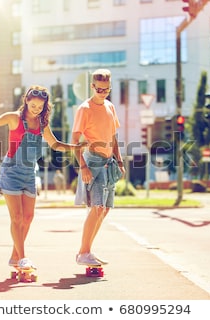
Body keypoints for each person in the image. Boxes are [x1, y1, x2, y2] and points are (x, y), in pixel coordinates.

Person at [0, 85, 85, 270]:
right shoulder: (13, 118)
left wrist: (76, 148)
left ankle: (15, 257)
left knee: (28, 217)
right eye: (34, 106)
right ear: (27, 101)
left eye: (40, 107)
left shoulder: (42, 124)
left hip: (30, 172)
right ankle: (23, 257)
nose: (36, 110)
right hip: (11, 172)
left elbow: (54, 144)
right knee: (16, 217)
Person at [71, 68, 126, 266]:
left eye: (106, 89)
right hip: (93, 162)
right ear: (92, 87)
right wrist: (83, 167)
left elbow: (113, 137)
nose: (103, 92)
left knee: (105, 210)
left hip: (109, 163)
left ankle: (87, 251)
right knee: (97, 207)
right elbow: (74, 140)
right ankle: (83, 252)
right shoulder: (84, 109)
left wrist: (119, 161)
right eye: (99, 89)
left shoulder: (110, 107)